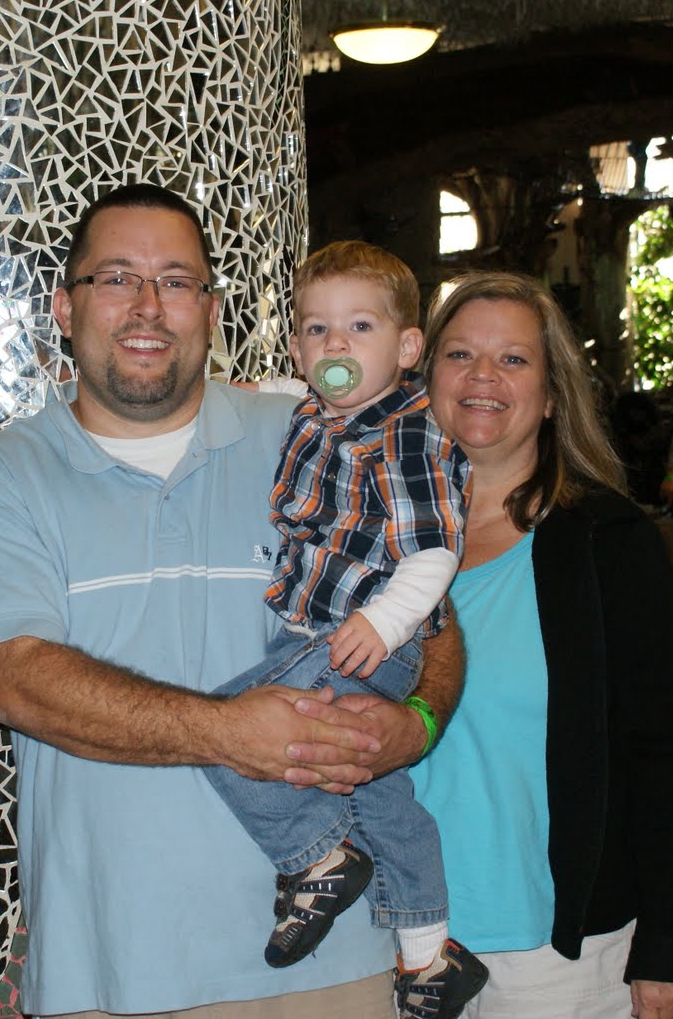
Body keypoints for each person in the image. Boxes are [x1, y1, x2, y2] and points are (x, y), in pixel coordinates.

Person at [0, 184, 463, 1018]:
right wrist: (227, 731)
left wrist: (417, 723)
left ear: (211, 310)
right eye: (117, 277)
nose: (148, 305)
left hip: (330, 972)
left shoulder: (309, 433)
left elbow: (433, 615)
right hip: (110, 969)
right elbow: (17, 683)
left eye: (177, 281)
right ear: (64, 308)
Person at [200, 240, 484, 1018]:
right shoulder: (323, 410)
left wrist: (383, 623)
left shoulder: (410, 432)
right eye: (317, 329)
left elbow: (435, 550)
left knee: (225, 727)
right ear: (298, 347)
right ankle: (429, 958)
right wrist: (264, 389)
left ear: (407, 347)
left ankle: (318, 855)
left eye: (360, 327)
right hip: (324, 637)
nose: (336, 346)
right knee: (382, 796)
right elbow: (302, 392)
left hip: (362, 642)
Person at [414, 271, 673, 1019]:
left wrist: (670, 940)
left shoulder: (607, 542)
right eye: (460, 355)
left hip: (552, 958)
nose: (482, 376)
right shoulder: (372, 533)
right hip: (387, 941)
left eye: (513, 359)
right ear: (426, 377)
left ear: (551, 395)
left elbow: (669, 751)